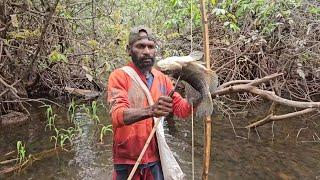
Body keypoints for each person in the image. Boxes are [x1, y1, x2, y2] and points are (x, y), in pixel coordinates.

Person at [107, 25, 196, 180]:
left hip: (155, 157)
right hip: (126, 159)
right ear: (129, 50)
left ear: (155, 50)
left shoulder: (162, 79)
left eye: (151, 46)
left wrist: (203, 95)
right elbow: (117, 115)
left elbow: (182, 109)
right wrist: (151, 110)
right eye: (140, 46)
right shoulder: (119, 76)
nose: (147, 51)